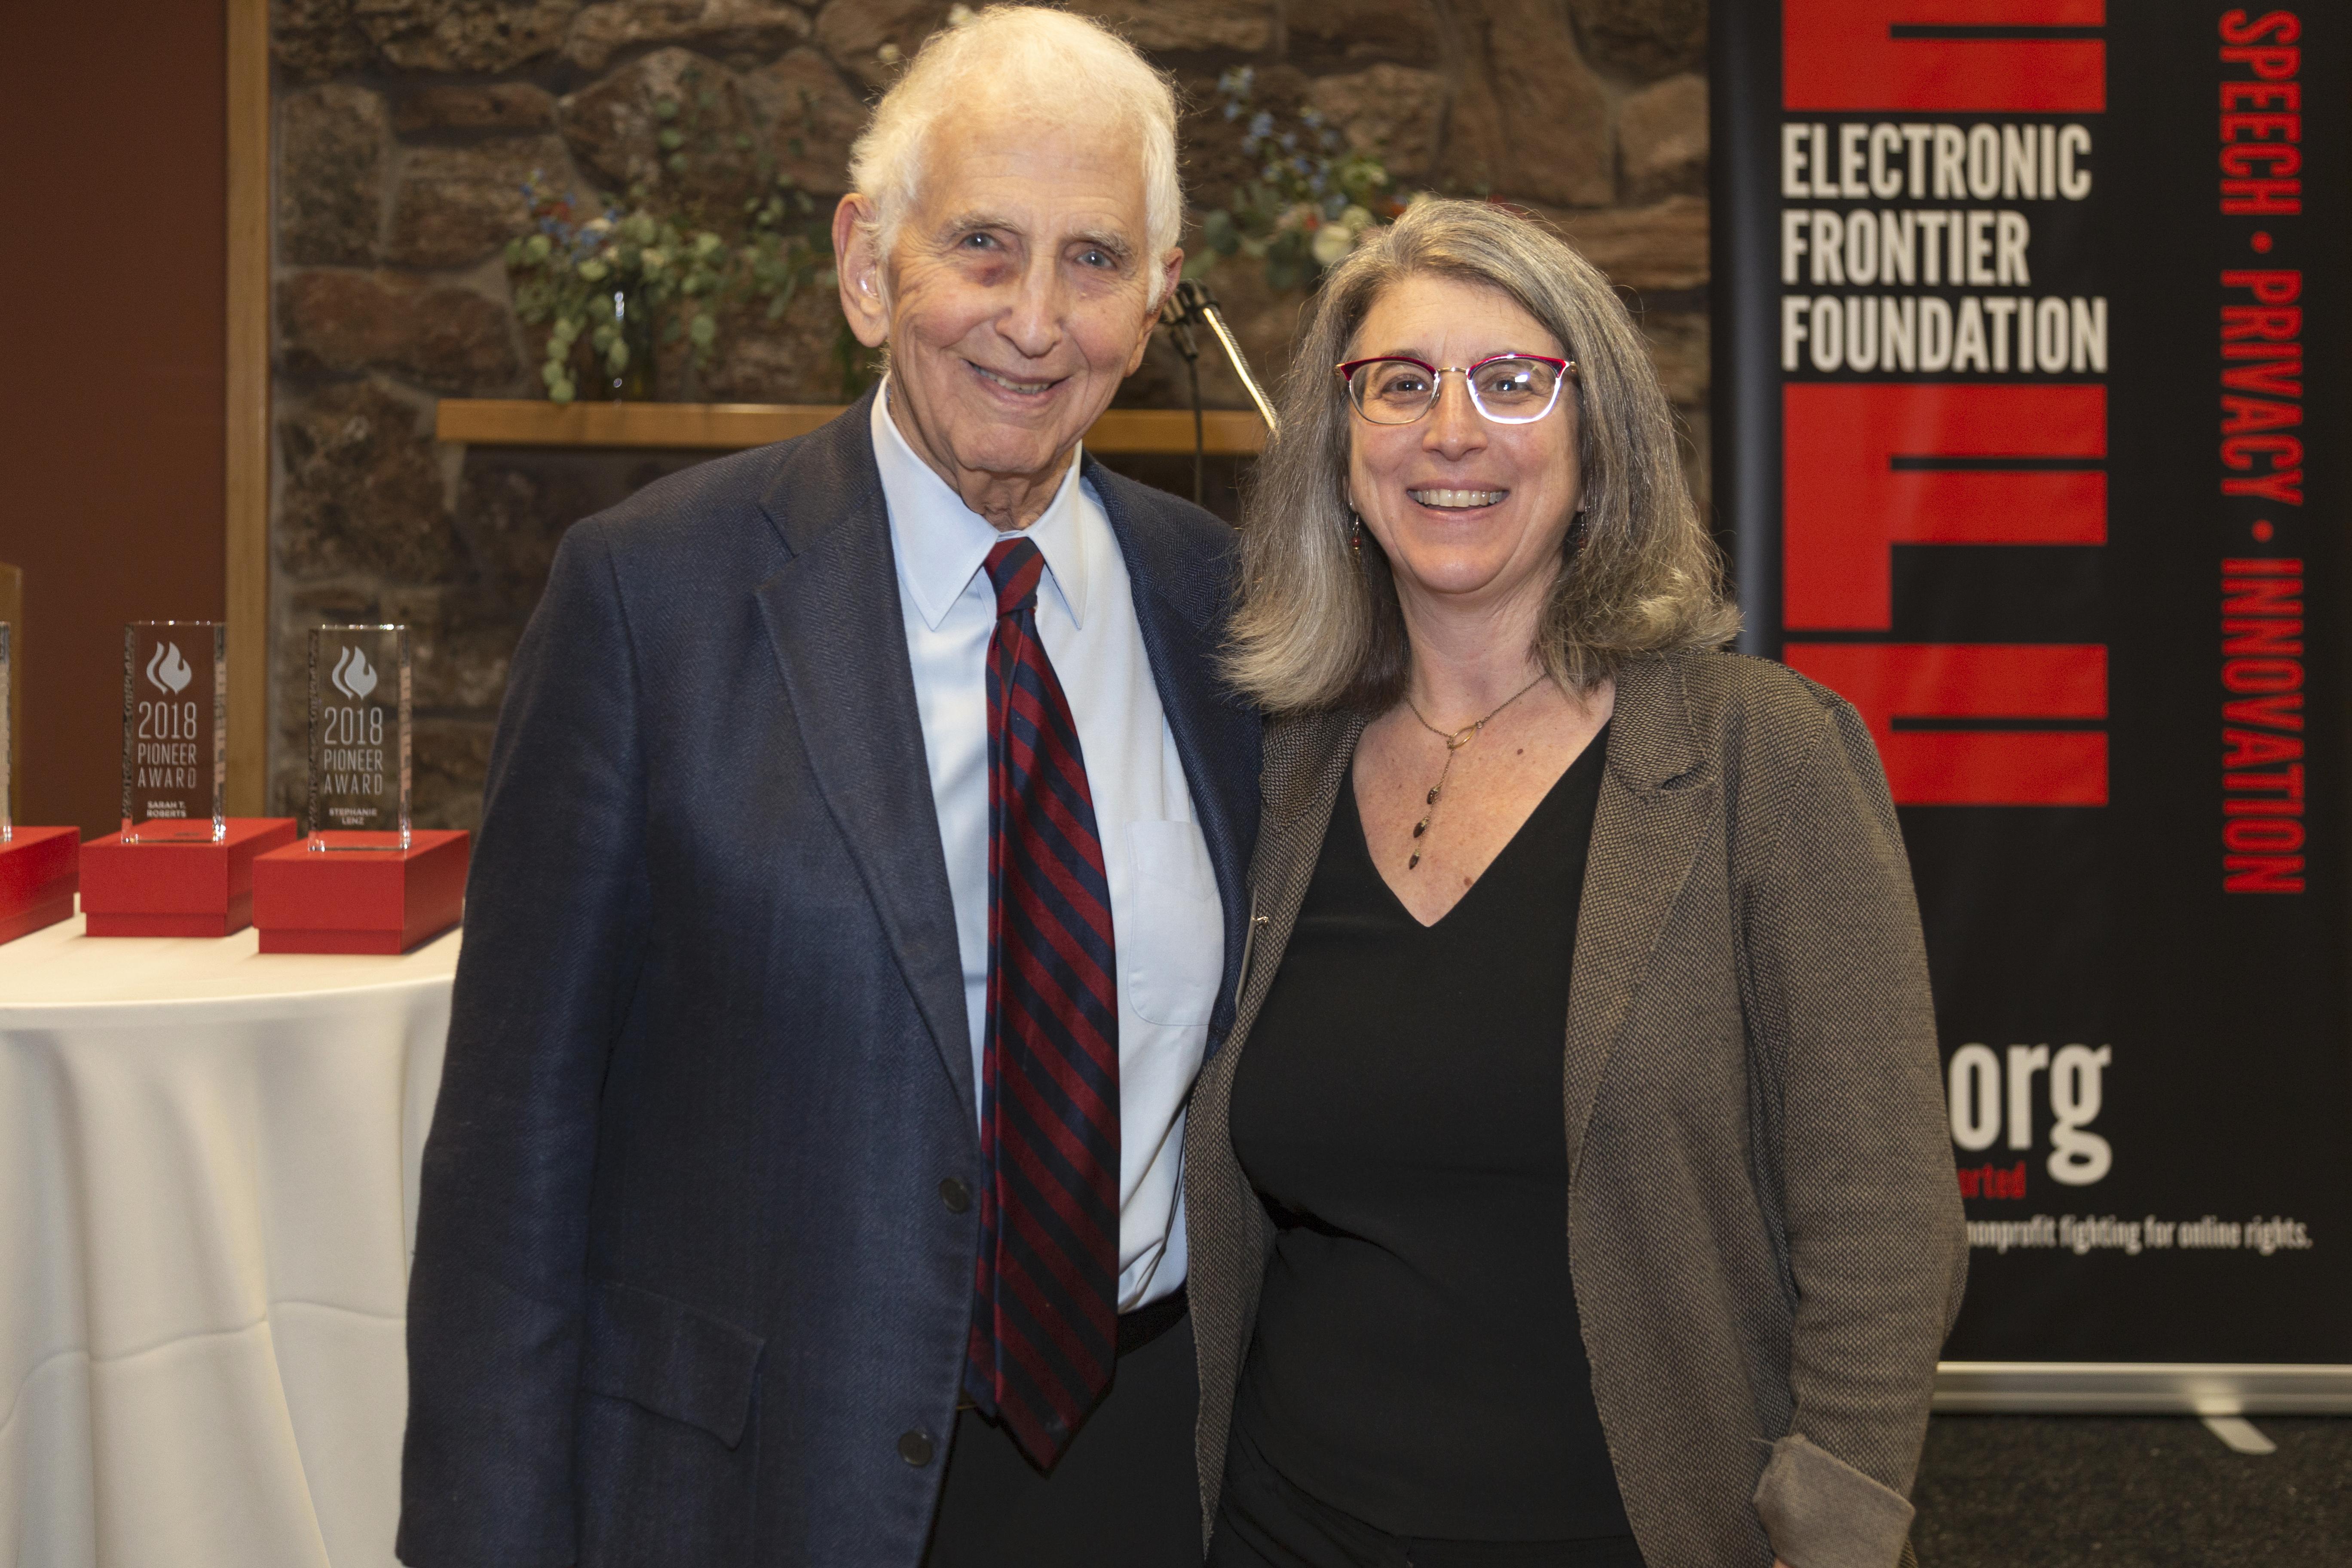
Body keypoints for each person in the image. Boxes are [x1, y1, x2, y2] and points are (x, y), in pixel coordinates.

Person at [395, 11, 1258, 1568]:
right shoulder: (649, 599)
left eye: (1096, 260)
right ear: (869, 267)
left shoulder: (1225, 609)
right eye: (984, 247)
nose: (1036, 321)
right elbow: (512, 1157)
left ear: (1161, 299)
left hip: (1148, 1474)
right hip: (758, 1491)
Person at [1183, 198, 1966, 1568]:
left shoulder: (1762, 759)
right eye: (1401, 384)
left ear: (1598, 442)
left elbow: (1886, 1219)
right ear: (1339, 449)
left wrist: (1832, 1537)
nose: (1452, 430)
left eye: (1514, 382)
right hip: (1284, 1531)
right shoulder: (1282, 770)